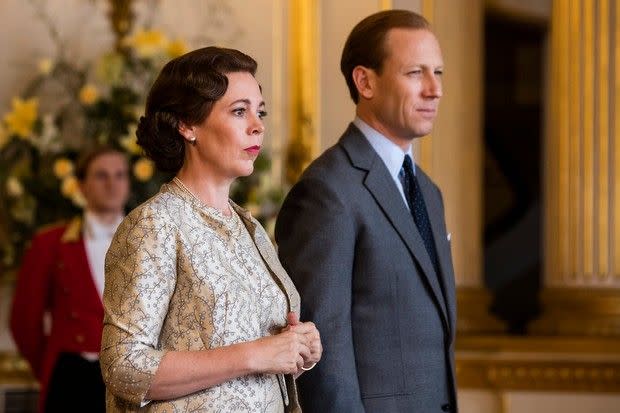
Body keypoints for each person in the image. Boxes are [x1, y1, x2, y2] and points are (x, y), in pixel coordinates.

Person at [100, 46, 322, 413]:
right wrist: (255, 354)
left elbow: (253, 370)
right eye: (239, 111)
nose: (258, 125)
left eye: (259, 111)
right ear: (188, 125)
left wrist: (299, 348)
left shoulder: (250, 227)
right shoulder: (155, 224)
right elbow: (122, 367)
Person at [275, 9, 457, 413]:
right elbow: (322, 354)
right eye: (415, 73)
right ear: (365, 81)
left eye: (438, 72)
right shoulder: (326, 190)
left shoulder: (429, 191)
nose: (434, 89)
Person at [10, 146, 130, 413]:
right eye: (101, 176)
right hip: (72, 378)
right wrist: (53, 368)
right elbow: (24, 321)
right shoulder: (49, 244)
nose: (112, 184)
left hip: (134, 377)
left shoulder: (149, 241)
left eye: (120, 175)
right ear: (81, 186)